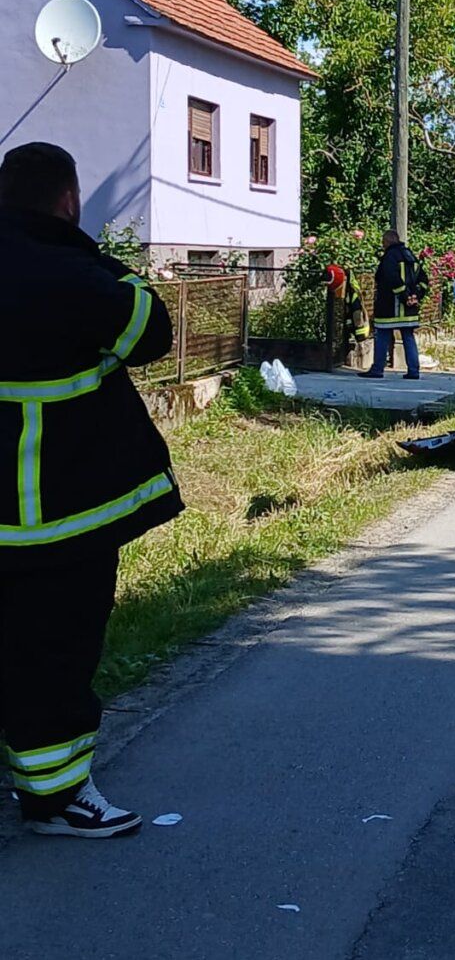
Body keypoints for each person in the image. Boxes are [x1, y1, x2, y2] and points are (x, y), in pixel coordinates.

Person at [0, 142, 183, 838]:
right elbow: (149, 330)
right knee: (55, 649)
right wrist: (109, 264)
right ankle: (55, 796)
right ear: (69, 201)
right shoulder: (75, 276)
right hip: (60, 515)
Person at [359, 230, 425, 380]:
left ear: (388, 241)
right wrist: (416, 296)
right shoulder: (410, 256)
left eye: (383, 242)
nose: (382, 245)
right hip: (409, 310)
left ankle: (377, 369)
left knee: (382, 335)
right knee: (408, 336)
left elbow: (390, 277)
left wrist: (404, 295)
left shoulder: (389, 257)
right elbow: (423, 279)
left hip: (389, 307)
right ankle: (414, 371)